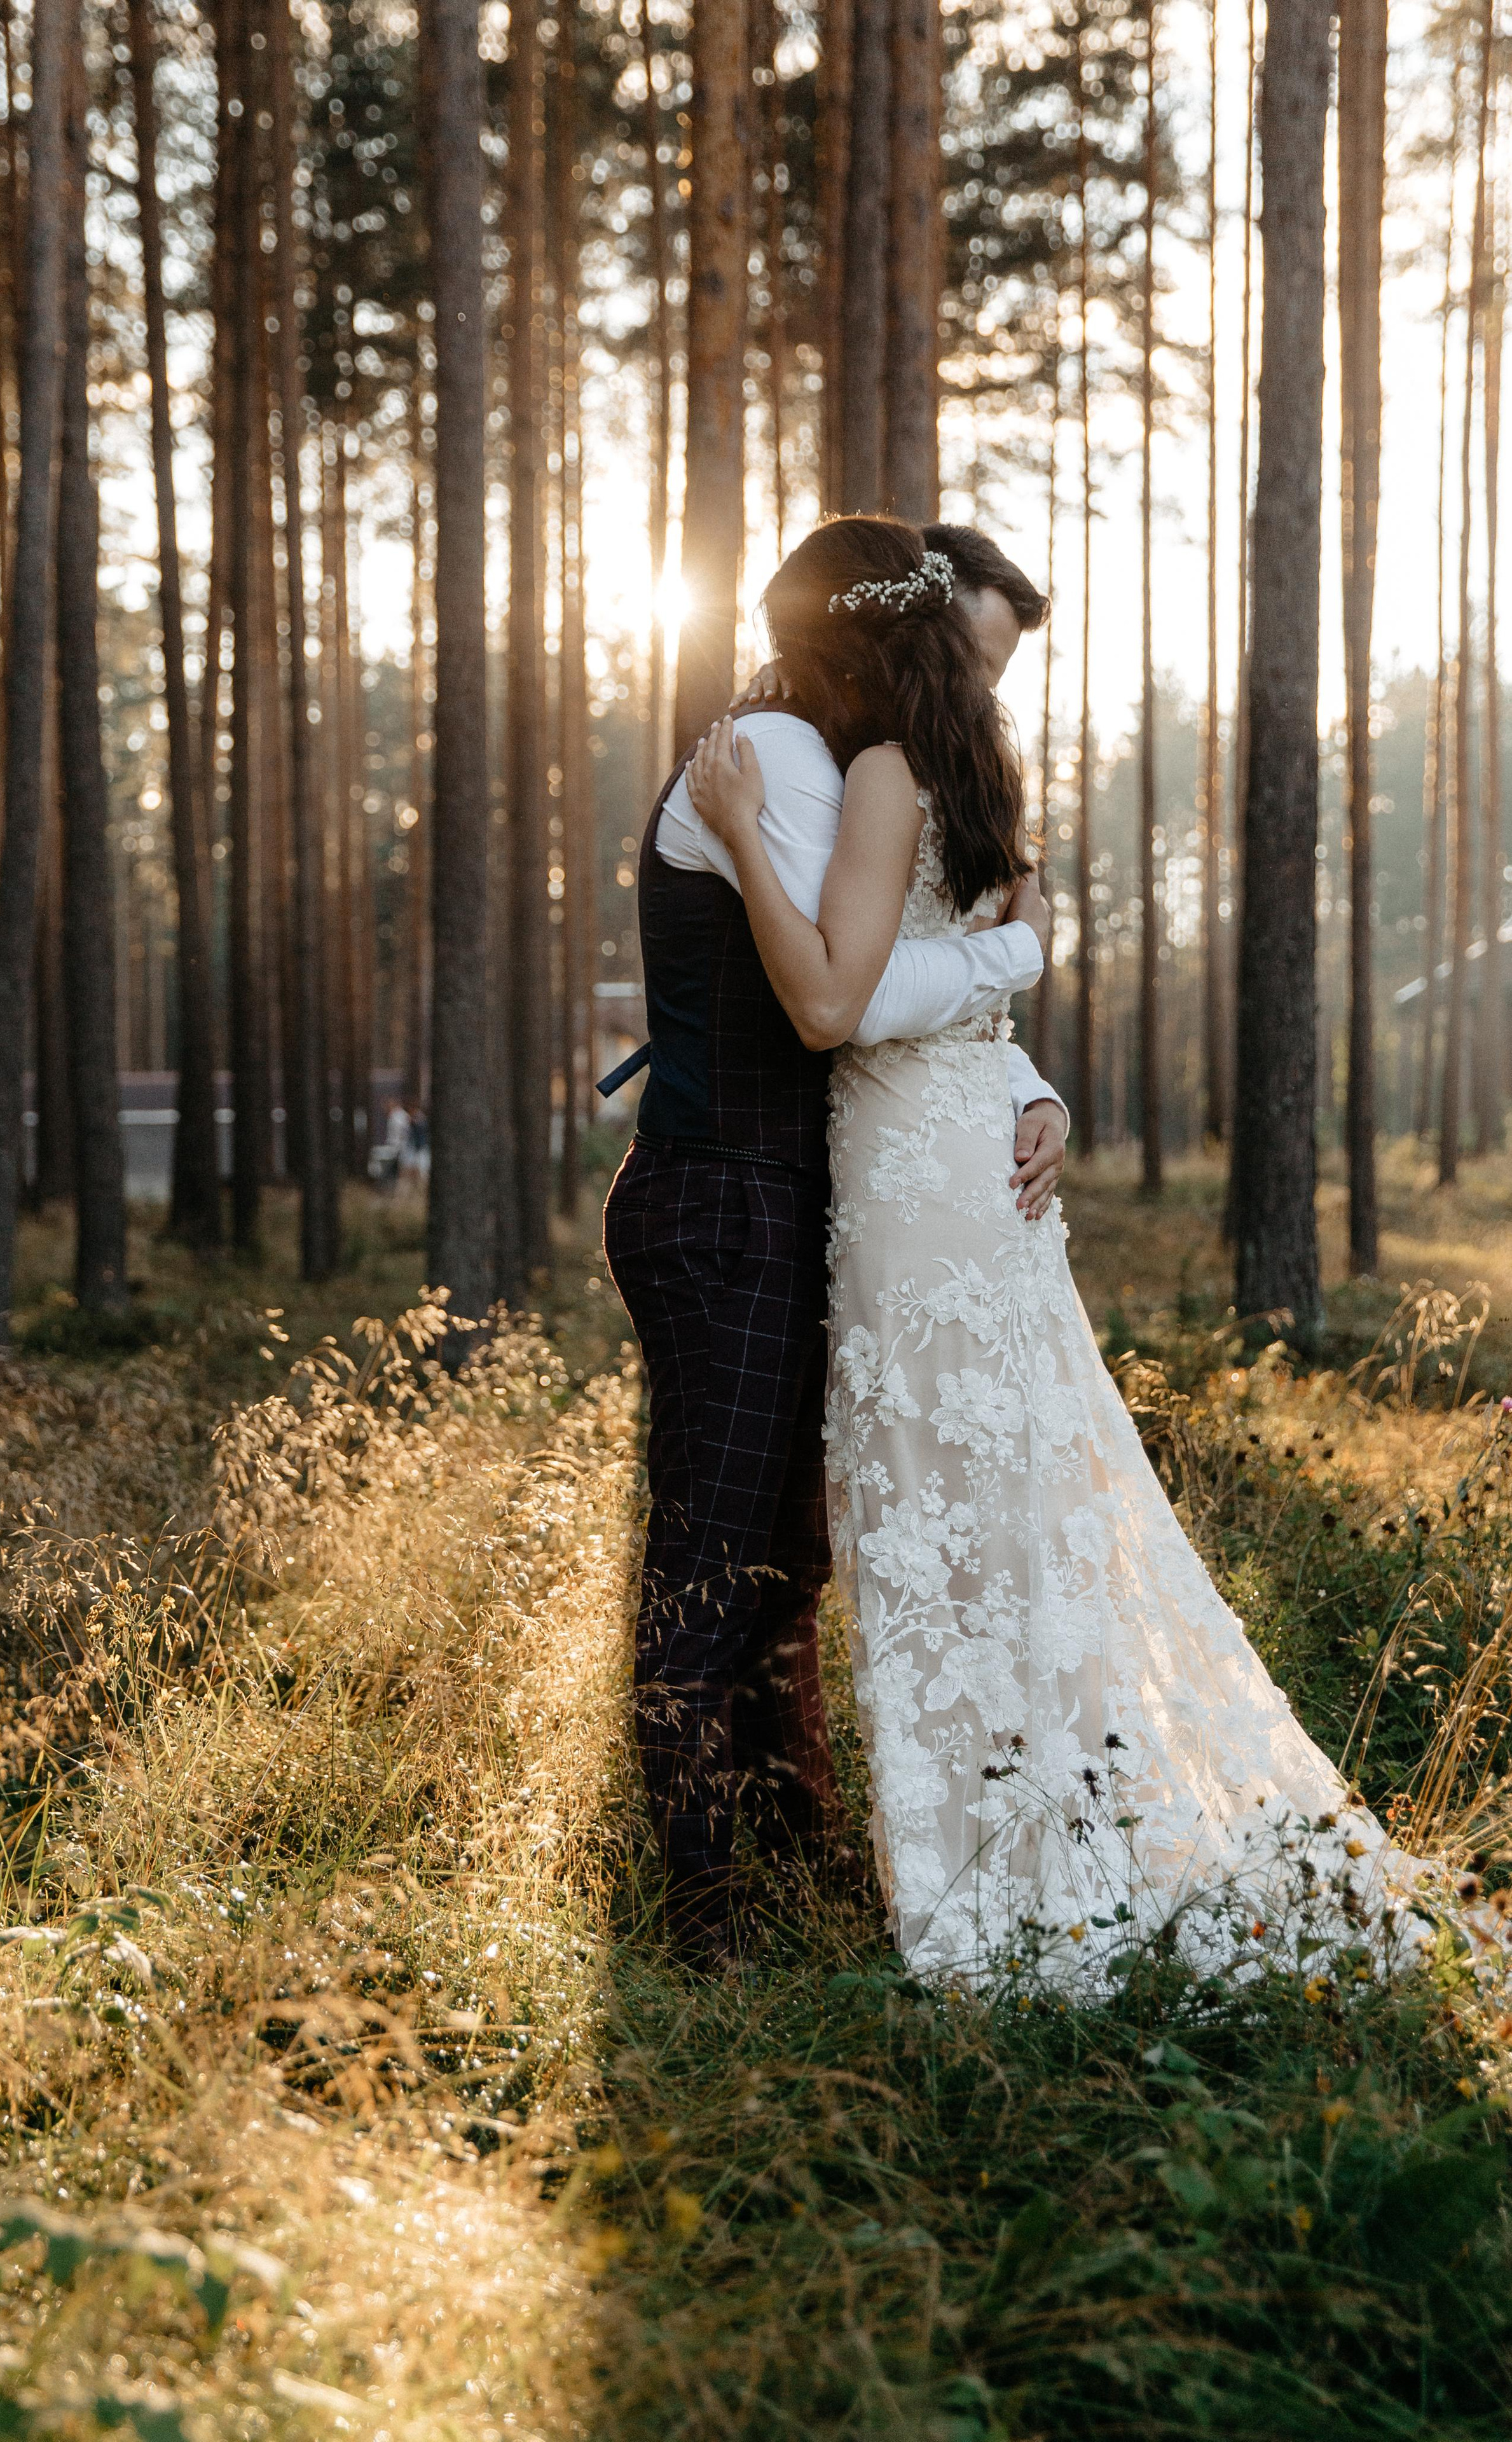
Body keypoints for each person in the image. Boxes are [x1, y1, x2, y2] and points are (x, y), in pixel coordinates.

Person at [684, 514, 1481, 1994]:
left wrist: (738, 833)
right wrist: (1015, 1018)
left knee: (940, 1512)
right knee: (1008, 1498)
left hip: (912, 1175)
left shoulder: (871, 771)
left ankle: (1005, 1861)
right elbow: (986, 963)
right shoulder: (972, 771)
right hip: (956, 1172)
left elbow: (831, 1007)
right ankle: (1055, 1810)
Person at [601, 519, 1066, 1970]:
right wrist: (1007, 956)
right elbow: (841, 1003)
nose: (950, 683)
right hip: (724, 1190)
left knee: (780, 1560)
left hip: (790, 1194)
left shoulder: (819, 755)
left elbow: (897, 981)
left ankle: (792, 1848)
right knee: (711, 1554)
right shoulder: (781, 765)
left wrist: (1019, 1076)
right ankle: (700, 1908)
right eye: (925, 650)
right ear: (871, 647)